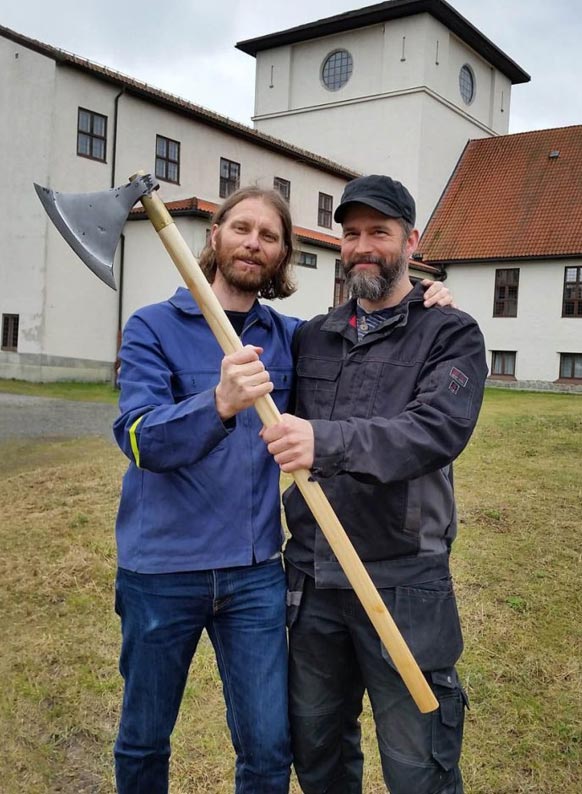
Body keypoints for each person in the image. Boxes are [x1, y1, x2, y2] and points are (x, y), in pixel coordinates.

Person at [112, 181, 454, 794]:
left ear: (282, 253)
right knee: (144, 739)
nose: (253, 243)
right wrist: (217, 403)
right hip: (162, 571)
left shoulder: (293, 337)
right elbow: (138, 439)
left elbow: (369, 333)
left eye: (269, 236)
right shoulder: (151, 327)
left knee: (270, 751)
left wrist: (421, 297)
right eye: (241, 228)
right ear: (213, 236)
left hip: (254, 574)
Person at [261, 174, 488, 794]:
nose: (363, 246)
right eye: (352, 233)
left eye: (379, 232)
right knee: (317, 750)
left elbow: (433, 431)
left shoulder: (450, 332)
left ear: (411, 241)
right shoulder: (315, 336)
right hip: (313, 582)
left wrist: (325, 441)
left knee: (419, 766)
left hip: (404, 583)